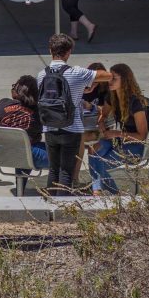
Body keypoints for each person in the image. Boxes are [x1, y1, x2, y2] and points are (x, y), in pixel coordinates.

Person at [36, 34, 113, 193]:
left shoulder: (41, 75)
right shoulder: (77, 73)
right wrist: (90, 85)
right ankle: (61, 208)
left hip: (49, 128)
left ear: (50, 50)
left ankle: (50, 204)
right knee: (66, 170)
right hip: (71, 128)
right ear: (69, 52)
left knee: (53, 169)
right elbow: (108, 75)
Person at [88, 64, 149, 195]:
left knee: (102, 162)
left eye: (114, 79)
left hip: (138, 146)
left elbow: (142, 136)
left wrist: (117, 133)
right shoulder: (112, 97)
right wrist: (101, 122)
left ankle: (110, 194)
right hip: (122, 140)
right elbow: (104, 114)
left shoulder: (136, 103)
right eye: (109, 78)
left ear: (125, 81)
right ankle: (100, 191)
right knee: (93, 150)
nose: (109, 81)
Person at [0, 75, 48, 195]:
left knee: (22, 148)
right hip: (26, 154)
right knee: (64, 155)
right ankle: (60, 192)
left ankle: (20, 190)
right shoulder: (39, 112)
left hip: (1, 153)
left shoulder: (2, 105)